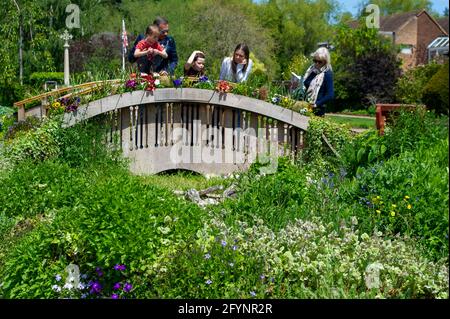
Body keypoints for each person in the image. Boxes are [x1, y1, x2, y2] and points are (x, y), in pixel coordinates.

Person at [302, 47, 334, 116]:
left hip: (317, 110)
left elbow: (330, 95)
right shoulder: (311, 70)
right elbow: (305, 83)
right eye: (315, 60)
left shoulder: (327, 74)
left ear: (325, 62)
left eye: (320, 62)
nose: (316, 63)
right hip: (305, 106)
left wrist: (316, 104)